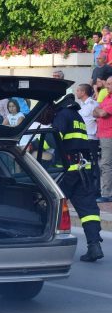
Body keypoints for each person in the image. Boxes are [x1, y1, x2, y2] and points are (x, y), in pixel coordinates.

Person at [49, 97, 104, 262]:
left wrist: (37, 143)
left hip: (68, 171)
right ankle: (94, 246)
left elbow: (54, 138)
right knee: (88, 211)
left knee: (49, 205)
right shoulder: (76, 116)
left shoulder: (62, 115)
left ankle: (44, 246)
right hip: (83, 170)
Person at [76, 83, 101, 200]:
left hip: (91, 138)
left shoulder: (93, 104)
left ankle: (95, 190)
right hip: (83, 139)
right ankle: (86, 188)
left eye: (78, 91)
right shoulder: (81, 105)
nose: (76, 93)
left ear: (83, 92)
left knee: (93, 165)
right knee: (84, 164)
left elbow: (99, 119)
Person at [93, 74, 112, 203]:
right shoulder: (107, 97)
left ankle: (106, 193)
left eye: (110, 84)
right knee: (106, 164)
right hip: (104, 134)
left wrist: (99, 111)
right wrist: (99, 111)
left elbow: (103, 113)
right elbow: (94, 112)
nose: (107, 85)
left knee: (105, 164)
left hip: (109, 135)